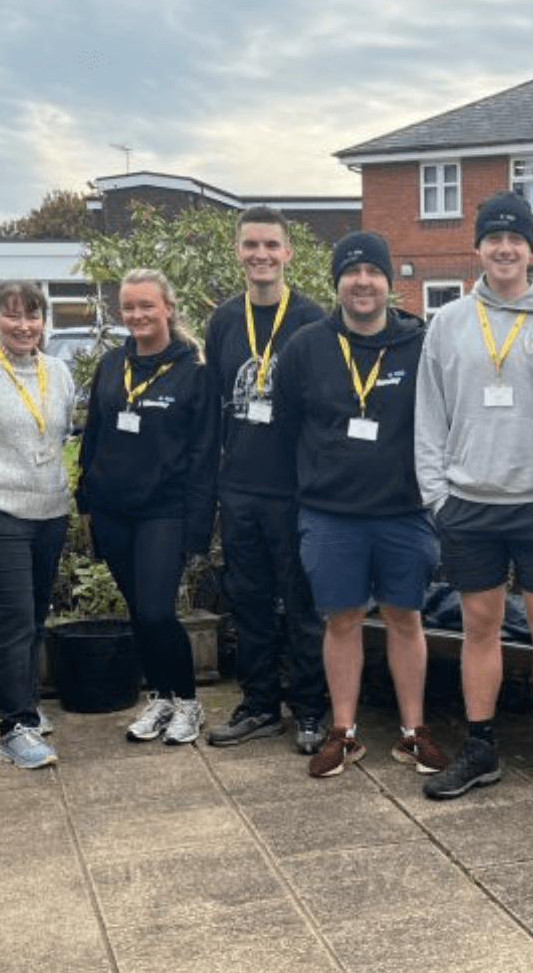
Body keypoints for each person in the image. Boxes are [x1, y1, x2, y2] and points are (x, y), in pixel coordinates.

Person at [414, 191, 533, 808]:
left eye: (516, 239)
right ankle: (480, 747)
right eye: (493, 239)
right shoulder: (450, 322)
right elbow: (428, 414)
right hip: (469, 501)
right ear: (478, 248)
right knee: (480, 626)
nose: (505, 248)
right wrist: (437, 495)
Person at [272, 231, 450, 779]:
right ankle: (343, 732)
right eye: (352, 273)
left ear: (389, 281)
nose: (363, 282)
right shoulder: (306, 346)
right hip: (331, 514)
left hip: (404, 511)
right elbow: (285, 429)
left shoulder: (420, 343)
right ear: (338, 283)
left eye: (374, 271)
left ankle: (412, 732)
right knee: (342, 620)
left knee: (405, 617)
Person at [203, 206, 329, 754]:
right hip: (241, 489)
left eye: (271, 246)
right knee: (249, 601)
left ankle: (308, 710)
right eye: (251, 245)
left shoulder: (312, 318)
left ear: (288, 253)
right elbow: (212, 409)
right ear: (237, 251)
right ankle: (258, 705)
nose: (261, 255)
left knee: (302, 605)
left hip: (297, 489)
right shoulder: (224, 320)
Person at [76, 269, 218, 745]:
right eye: (129, 307)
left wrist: (199, 525)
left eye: (147, 306)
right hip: (113, 508)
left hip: (165, 510)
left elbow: (203, 455)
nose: (137, 315)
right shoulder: (112, 365)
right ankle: (160, 698)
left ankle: (188, 702)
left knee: (158, 611)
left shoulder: (194, 372)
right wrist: (86, 499)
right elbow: (92, 433)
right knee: (138, 610)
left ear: (168, 309)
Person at [0, 282, 75, 768]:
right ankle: (14, 727)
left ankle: (27, 704)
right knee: (14, 620)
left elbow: (61, 430)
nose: (24, 325)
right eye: (12, 316)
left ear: (44, 322)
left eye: (33, 315)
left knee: (36, 616)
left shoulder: (59, 371)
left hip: (49, 511)